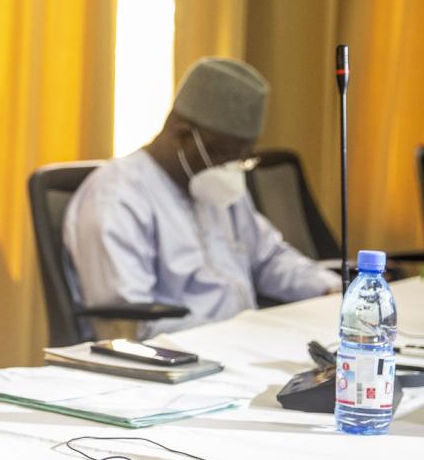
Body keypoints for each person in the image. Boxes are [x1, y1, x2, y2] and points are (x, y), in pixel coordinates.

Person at [62, 56, 337, 336]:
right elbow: (130, 322)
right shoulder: (117, 197)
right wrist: (241, 332)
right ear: (182, 135)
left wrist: (332, 288)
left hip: (239, 343)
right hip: (175, 352)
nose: (230, 168)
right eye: (223, 153)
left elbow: (269, 259)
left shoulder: (218, 187)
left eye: (242, 158)